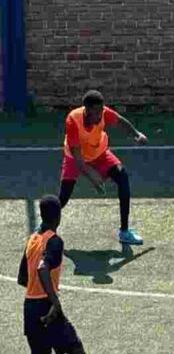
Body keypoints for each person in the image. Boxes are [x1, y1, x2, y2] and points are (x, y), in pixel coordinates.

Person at [59, 90, 147, 245]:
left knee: (122, 176)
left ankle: (124, 232)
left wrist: (136, 133)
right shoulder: (73, 120)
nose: (100, 115)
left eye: (101, 110)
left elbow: (120, 121)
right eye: (96, 112)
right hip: (75, 157)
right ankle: (45, 227)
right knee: (63, 197)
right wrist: (92, 176)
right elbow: (78, 159)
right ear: (87, 110)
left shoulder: (103, 113)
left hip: (98, 152)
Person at [18, 195, 86, 354]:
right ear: (58, 216)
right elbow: (42, 268)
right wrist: (54, 303)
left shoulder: (32, 240)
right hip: (47, 307)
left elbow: (23, 278)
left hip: (30, 307)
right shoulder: (54, 241)